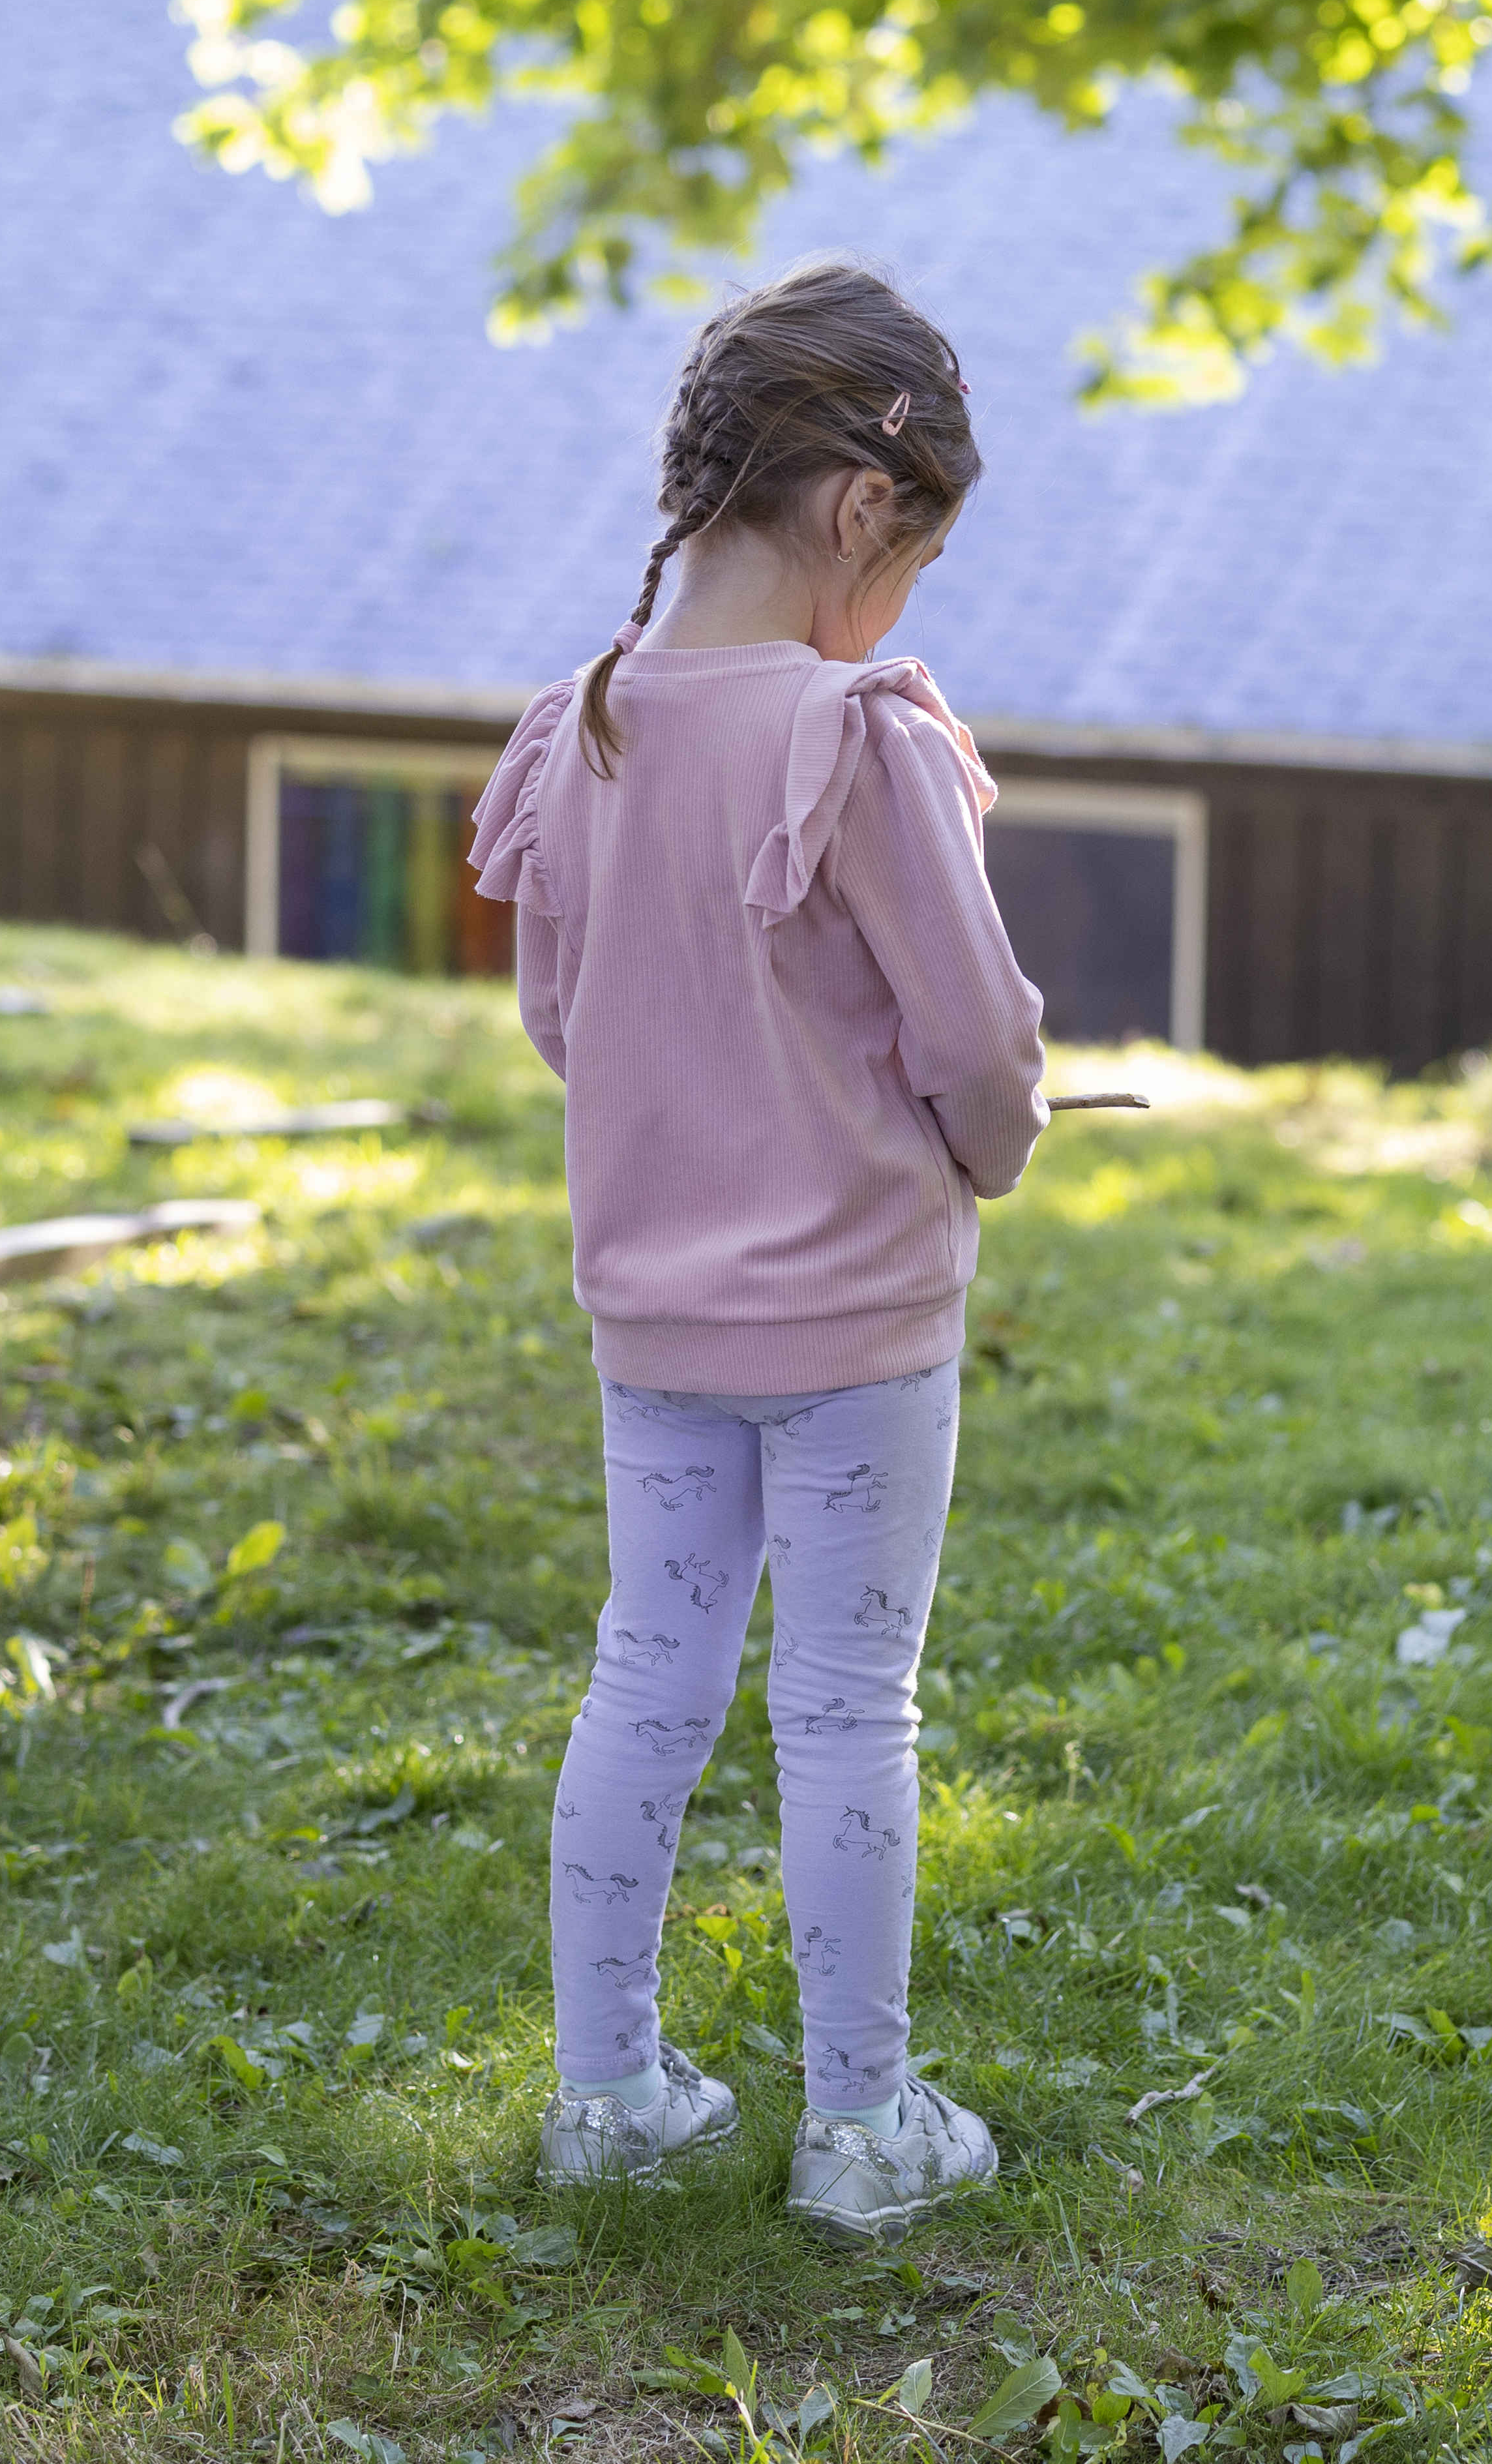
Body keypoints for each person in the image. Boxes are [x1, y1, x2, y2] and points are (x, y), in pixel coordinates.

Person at [464, 260, 1049, 2237]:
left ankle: (610, 2089)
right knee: (844, 1698)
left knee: (649, 1666)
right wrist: (988, 1146)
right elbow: (973, 1038)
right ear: (861, 507)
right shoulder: (859, 731)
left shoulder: (583, 727)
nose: (902, 616)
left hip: (652, 1316)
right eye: (917, 563)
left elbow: (564, 1018)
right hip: (862, 1319)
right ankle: (862, 2124)